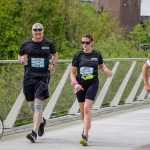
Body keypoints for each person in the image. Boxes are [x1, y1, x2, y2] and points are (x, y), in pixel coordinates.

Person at [18, 23, 58, 143]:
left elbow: (55, 54)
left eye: (40, 33)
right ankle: (42, 121)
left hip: (43, 77)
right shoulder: (26, 44)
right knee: (31, 106)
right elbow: (19, 55)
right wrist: (22, 59)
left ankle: (34, 132)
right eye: (36, 33)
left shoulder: (48, 43)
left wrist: (53, 64)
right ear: (32, 32)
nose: (38, 35)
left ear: (42, 32)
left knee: (38, 105)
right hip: (29, 77)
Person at [70, 34, 112, 146]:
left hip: (92, 83)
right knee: (83, 111)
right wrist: (75, 84)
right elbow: (72, 72)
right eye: (83, 42)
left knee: (87, 109)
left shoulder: (97, 54)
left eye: (87, 42)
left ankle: (85, 134)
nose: (85, 45)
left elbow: (101, 66)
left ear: (91, 42)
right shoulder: (78, 55)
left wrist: (106, 70)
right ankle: (86, 126)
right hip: (80, 85)